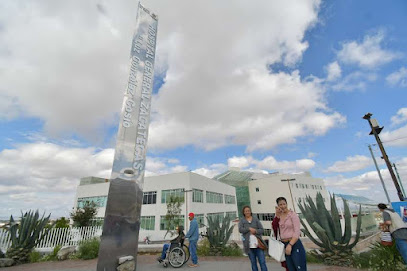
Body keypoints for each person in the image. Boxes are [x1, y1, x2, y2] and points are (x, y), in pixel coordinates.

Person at [275, 197, 306, 271]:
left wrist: (290, 245)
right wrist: (277, 216)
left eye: (284, 204)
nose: (283, 206)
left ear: (286, 204)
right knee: (290, 267)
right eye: (280, 205)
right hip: (284, 244)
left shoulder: (293, 215)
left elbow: (297, 231)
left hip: (294, 244)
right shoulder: (278, 216)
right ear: (278, 206)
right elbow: (275, 228)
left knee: (299, 267)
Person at [239, 205, 268, 271]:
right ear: (243, 212)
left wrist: (255, 231)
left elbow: (261, 230)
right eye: (245, 211)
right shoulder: (242, 221)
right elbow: (240, 229)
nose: (247, 212)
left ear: (250, 211)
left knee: (262, 262)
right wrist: (249, 229)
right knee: (253, 263)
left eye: (248, 211)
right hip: (249, 247)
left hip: (258, 246)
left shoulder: (255, 219)